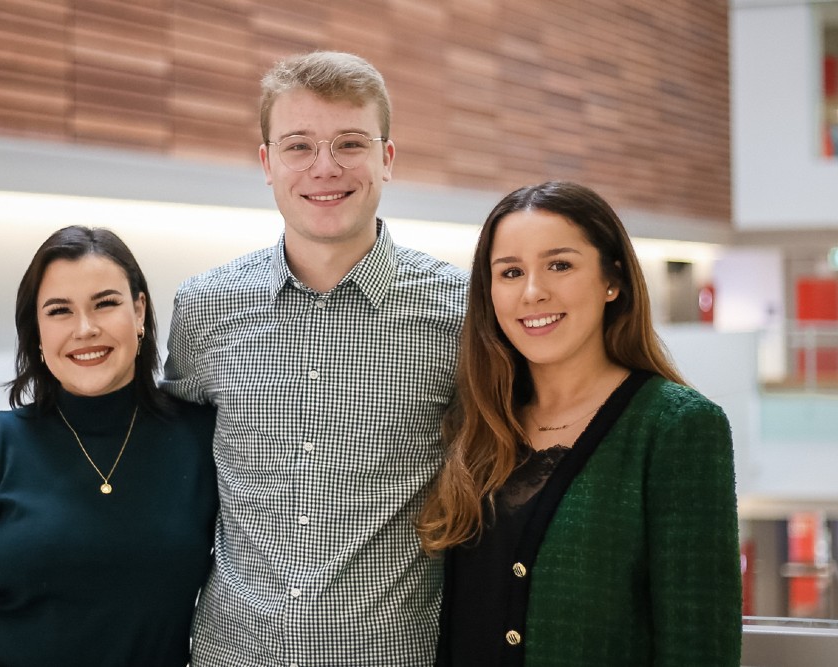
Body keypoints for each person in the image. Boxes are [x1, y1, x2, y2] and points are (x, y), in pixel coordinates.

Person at [163, 51, 468, 666]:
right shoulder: (203, 309)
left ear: (387, 158)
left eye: (350, 143)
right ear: (267, 163)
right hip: (232, 654)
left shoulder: (461, 313)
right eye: (298, 146)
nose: (324, 168)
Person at [418, 181, 742, 666]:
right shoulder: (476, 425)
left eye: (560, 265)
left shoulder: (676, 427)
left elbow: (699, 646)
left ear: (613, 281)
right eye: (510, 272)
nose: (533, 292)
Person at [0, 226, 218, 667]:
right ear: (37, 331)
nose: (85, 329)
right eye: (59, 311)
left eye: (105, 304)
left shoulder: (202, 437)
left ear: (140, 311)